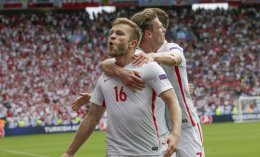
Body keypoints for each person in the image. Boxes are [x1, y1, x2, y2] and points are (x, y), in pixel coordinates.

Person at [61, 17, 182, 157]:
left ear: (132, 44)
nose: (112, 36)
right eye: (111, 33)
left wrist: (175, 133)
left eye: (119, 34)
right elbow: (92, 118)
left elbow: (172, 101)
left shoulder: (150, 68)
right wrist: (68, 154)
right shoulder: (105, 76)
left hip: (150, 152)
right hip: (115, 153)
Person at [100, 8, 204, 157]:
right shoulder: (136, 56)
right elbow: (106, 64)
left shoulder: (169, 47)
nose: (164, 30)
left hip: (186, 125)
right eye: (160, 27)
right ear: (148, 33)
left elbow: (175, 58)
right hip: (160, 131)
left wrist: (154, 57)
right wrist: (120, 72)